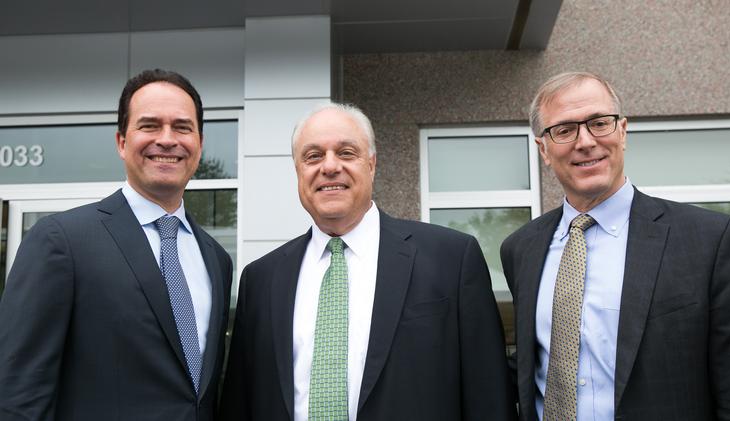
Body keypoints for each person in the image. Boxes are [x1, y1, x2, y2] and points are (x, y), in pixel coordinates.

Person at [220, 103, 516, 420]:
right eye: (313, 156)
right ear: (298, 171)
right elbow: (240, 403)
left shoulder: (451, 259)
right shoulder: (261, 280)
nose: (329, 167)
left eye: (346, 153)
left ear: (372, 165)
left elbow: (489, 396)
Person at [501, 71, 730, 420]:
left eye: (599, 123)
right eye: (564, 130)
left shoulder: (709, 239)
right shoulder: (520, 249)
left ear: (623, 131)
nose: (585, 141)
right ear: (543, 148)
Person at [0, 69, 233, 420]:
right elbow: (19, 393)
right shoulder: (62, 241)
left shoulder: (216, 259)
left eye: (182, 127)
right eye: (150, 125)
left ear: (199, 145)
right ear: (122, 142)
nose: (167, 139)